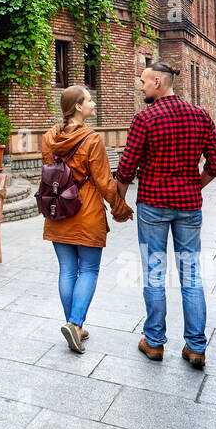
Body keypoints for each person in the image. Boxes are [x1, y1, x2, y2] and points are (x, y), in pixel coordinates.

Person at [114, 60, 216, 369]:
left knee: (154, 273)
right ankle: (196, 348)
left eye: (144, 81)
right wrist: (194, 186)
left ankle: (154, 342)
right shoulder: (201, 116)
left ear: (158, 84)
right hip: (189, 205)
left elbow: (126, 168)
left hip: (153, 204)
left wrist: (118, 203)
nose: (141, 86)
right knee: (191, 275)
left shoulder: (145, 119)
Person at [41, 84, 133, 354]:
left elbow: (49, 173)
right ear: (78, 107)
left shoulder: (48, 138)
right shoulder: (92, 140)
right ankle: (76, 323)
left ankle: (74, 324)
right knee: (89, 270)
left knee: (67, 270)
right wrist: (120, 209)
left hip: (57, 210)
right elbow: (105, 182)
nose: (94, 104)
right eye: (90, 100)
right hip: (87, 211)